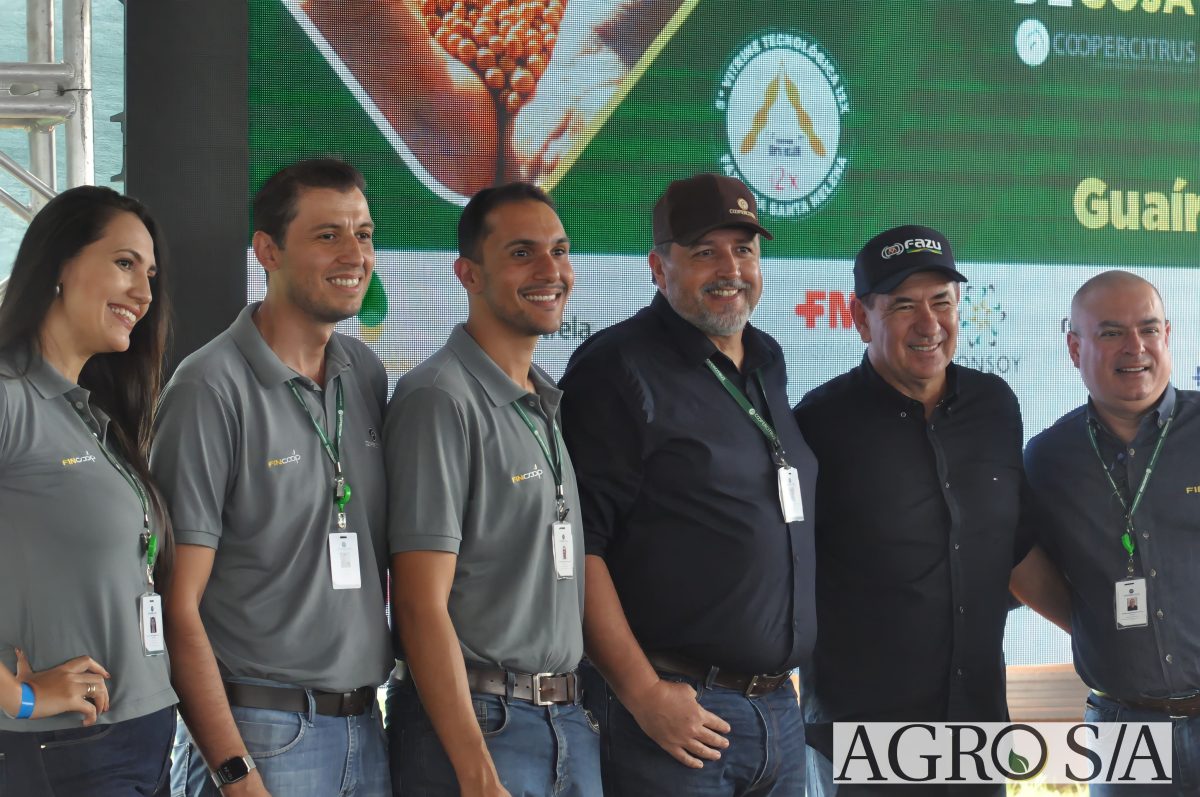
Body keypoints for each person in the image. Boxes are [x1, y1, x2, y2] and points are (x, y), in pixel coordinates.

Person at [559, 172, 816, 795]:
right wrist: (643, 693)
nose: (731, 269)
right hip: (675, 717)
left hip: (778, 712)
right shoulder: (615, 366)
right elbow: (576, 547)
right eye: (705, 252)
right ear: (658, 267)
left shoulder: (767, 360)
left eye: (744, 249)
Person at [154, 159, 391, 796]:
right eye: (327, 235)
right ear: (268, 251)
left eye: (364, 234)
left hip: (366, 728)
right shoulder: (209, 388)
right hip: (262, 733)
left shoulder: (364, 372)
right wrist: (234, 771)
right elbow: (175, 604)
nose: (354, 255)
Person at [793, 225, 1027, 796]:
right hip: (863, 738)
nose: (929, 324)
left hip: (976, 730)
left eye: (941, 302)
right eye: (903, 306)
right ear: (860, 317)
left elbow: (1016, 551)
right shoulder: (818, 424)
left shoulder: (995, 405)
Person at [384, 182, 600, 796]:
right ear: (468, 274)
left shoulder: (545, 397)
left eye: (560, 251)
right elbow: (419, 605)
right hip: (482, 728)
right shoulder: (439, 398)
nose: (551, 271)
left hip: (566, 720)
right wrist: (476, 771)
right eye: (522, 253)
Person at [0, 185, 177, 795]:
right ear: (59, 263)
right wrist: (18, 697)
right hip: (65, 749)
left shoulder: (92, 415)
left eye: (150, 275)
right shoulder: (9, 397)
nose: (144, 294)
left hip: (143, 736)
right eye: (125, 263)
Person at [1012, 270, 1200, 796]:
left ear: (1168, 335)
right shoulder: (1049, 459)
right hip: (1123, 727)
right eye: (1112, 332)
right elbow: (1022, 564)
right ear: (1075, 348)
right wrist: (1097, 627)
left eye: (1149, 328)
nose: (1135, 347)